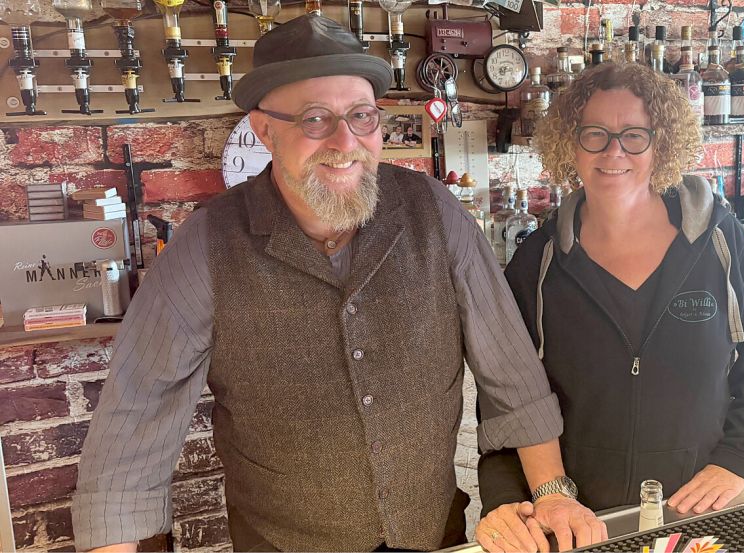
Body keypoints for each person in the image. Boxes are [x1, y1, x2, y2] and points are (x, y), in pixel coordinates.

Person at [71, 15, 604, 553]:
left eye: (361, 116)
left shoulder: (435, 214)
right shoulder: (206, 245)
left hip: (430, 534)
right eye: (314, 119)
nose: (345, 141)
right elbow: (137, 418)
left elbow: (510, 371)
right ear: (264, 130)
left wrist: (554, 493)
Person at [476, 62, 744, 548]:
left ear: (660, 143)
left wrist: (737, 457)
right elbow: (504, 393)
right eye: (595, 134)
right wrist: (508, 497)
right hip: (578, 517)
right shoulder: (537, 262)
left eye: (634, 135)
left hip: (697, 507)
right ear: (570, 143)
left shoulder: (719, 241)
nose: (613, 151)